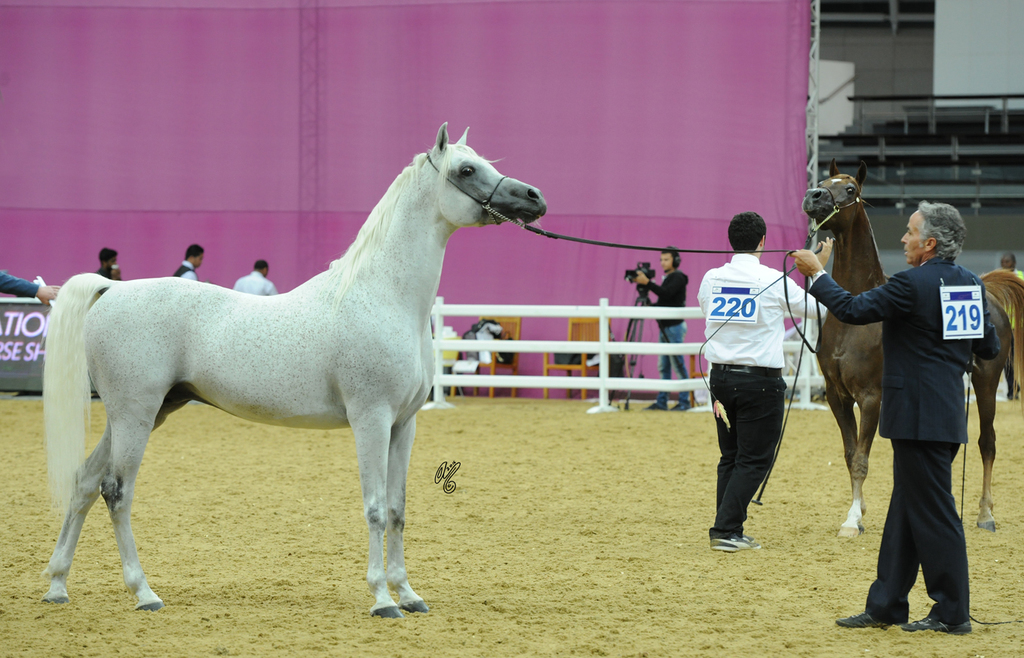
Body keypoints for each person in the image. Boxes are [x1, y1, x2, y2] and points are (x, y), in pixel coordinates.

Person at [793, 201, 1000, 635]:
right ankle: (886, 604)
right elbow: (988, 349)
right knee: (906, 511)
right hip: (942, 413)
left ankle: (952, 612)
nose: (902, 239)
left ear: (929, 244)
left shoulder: (910, 285)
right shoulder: (969, 285)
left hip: (916, 415)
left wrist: (816, 272)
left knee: (935, 514)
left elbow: (850, 310)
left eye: (910, 232)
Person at [697, 212, 826, 553]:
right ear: (763, 242)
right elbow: (817, 310)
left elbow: (705, 309)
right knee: (754, 460)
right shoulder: (773, 279)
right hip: (759, 384)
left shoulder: (711, 277)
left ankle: (728, 527)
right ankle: (726, 528)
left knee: (731, 456)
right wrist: (817, 271)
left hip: (720, 380)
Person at [633, 248, 691, 411]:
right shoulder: (668, 278)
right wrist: (651, 305)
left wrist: (648, 284)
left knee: (677, 364)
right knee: (663, 366)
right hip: (666, 327)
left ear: (675, 261)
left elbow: (667, 293)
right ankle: (662, 401)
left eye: (666, 259)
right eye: (661, 259)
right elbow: (666, 301)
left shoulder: (678, 277)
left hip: (674, 327)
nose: (663, 263)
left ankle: (684, 402)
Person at [999, 252, 1022, 399]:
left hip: (1021, 327)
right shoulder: (999, 279)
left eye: (1006, 262)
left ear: (1013, 263)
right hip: (1005, 327)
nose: (1003, 265)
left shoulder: (1021, 277)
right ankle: (1012, 390)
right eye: (1002, 262)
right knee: (1007, 360)